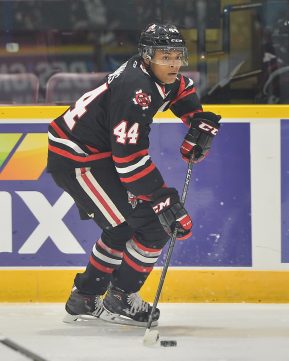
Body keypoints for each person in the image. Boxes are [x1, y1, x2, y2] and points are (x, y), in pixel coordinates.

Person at [46, 23, 221, 327]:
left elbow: (182, 89)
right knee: (155, 226)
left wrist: (197, 120)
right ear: (147, 56)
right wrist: (164, 200)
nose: (174, 64)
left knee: (123, 227)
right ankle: (119, 298)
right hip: (79, 160)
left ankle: (85, 297)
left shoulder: (155, 73)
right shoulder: (135, 91)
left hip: (94, 154)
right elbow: (128, 162)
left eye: (177, 55)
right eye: (165, 56)